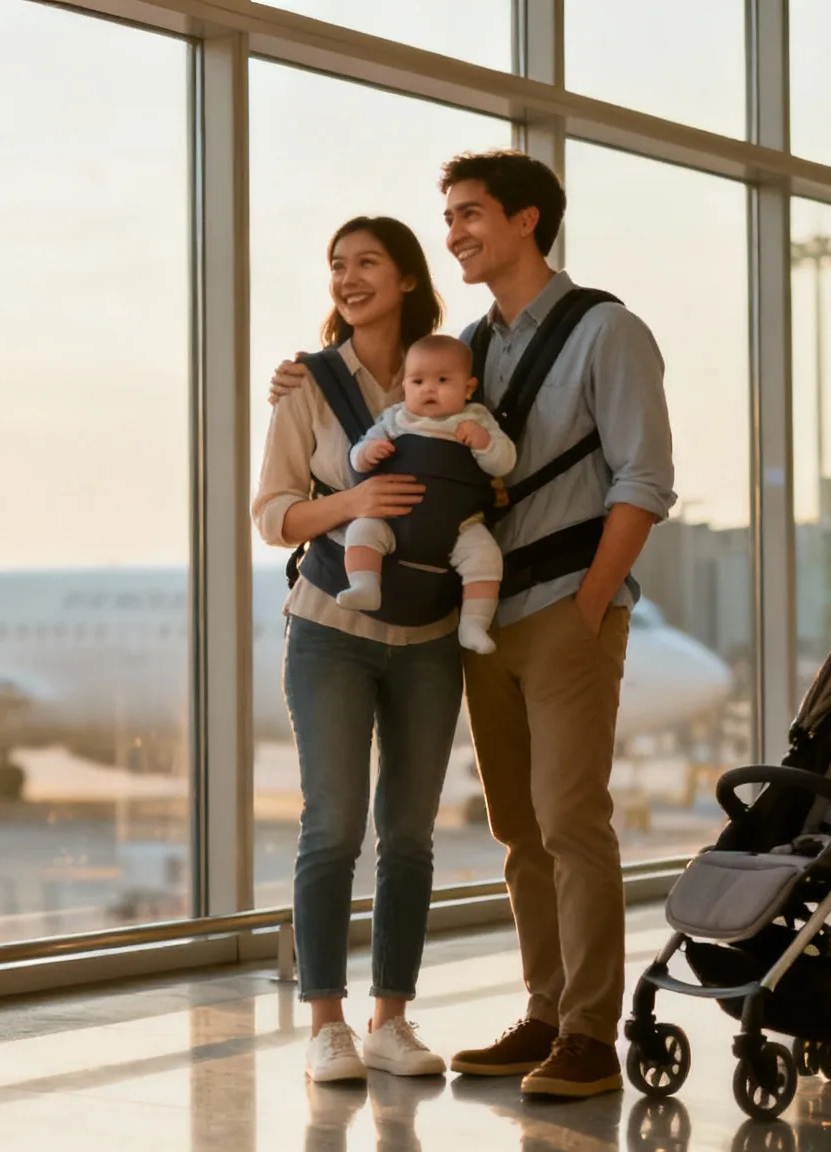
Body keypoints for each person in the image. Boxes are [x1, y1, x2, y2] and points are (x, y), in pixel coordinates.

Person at [268, 150, 676, 1099]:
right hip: (482, 620)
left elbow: (643, 481)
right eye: (446, 217)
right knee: (518, 828)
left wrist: (588, 604)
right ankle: (543, 1011)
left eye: (470, 214)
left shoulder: (607, 330)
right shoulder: (474, 348)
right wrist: (305, 371)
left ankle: (588, 1034)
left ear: (529, 220)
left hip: (564, 609)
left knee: (573, 819)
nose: (454, 232)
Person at [252, 215, 467, 1084]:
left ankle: (392, 1019)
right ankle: (327, 1025)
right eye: (337, 265)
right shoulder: (308, 383)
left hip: (431, 635)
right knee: (333, 826)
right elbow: (271, 516)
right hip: (331, 631)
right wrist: (354, 501)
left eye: (367, 262)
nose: (348, 278)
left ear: (408, 276)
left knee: (410, 834)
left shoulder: (450, 372)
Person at [336, 333, 516, 655]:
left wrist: (483, 443)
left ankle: (473, 623)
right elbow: (356, 454)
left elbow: (504, 462)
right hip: (392, 520)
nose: (428, 389)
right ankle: (365, 584)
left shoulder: (477, 419)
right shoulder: (395, 419)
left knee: (486, 557)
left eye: (442, 380)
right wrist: (367, 453)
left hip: (460, 525)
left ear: (469, 388)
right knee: (362, 530)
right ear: (405, 387)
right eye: (417, 381)